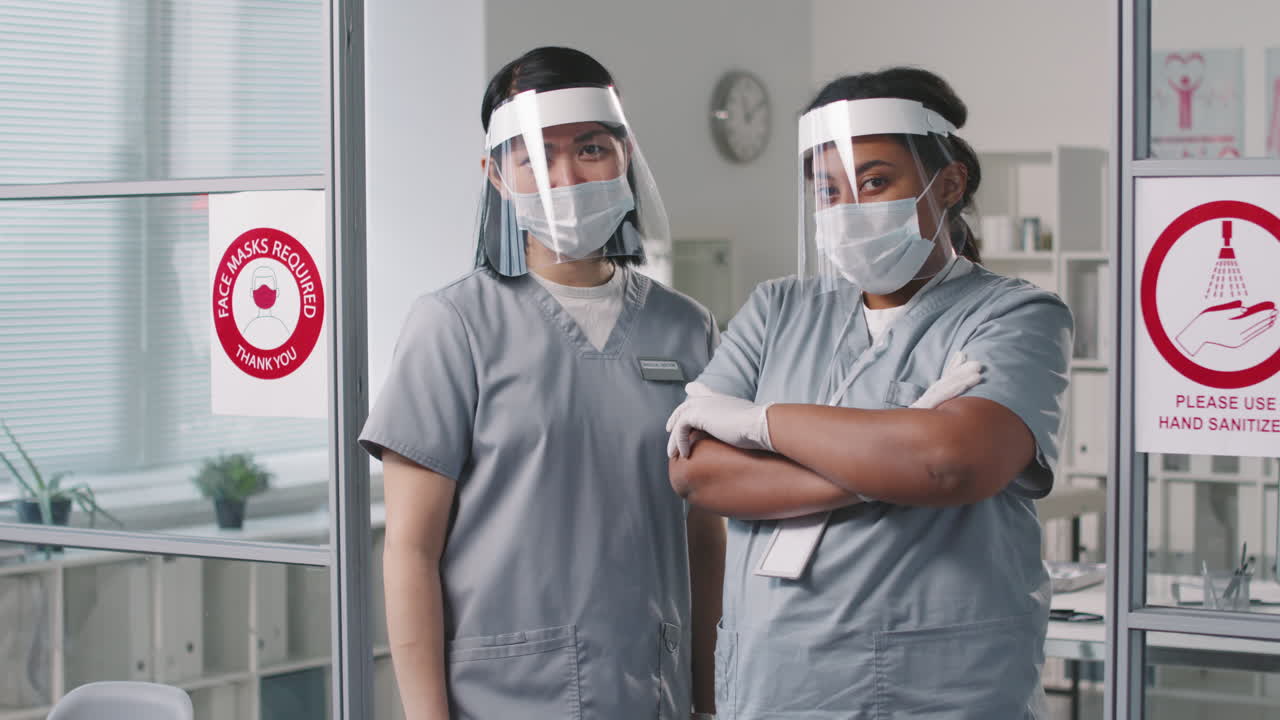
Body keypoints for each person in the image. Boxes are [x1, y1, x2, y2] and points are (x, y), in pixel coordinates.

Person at [666, 67, 1073, 718]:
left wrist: (758, 423)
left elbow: (950, 463)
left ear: (948, 183)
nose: (849, 209)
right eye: (827, 190)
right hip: (777, 687)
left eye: (876, 181)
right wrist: (888, 455)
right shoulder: (777, 309)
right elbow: (696, 472)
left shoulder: (1014, 317)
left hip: (936, 689)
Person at [359, 47, 725, 719]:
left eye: (589, 148)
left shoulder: (686, 329)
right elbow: (410, 551)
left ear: (625, 155)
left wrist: (707, 700)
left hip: (655, 690)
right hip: (506, 698)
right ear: (496, 176)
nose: (566, 177)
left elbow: (704, 531)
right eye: (536, 156)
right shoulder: (452, 326)